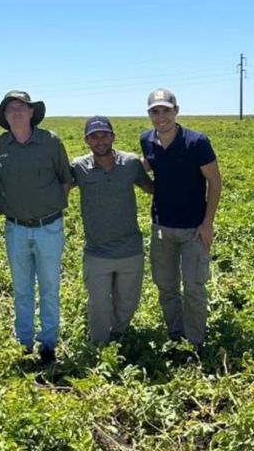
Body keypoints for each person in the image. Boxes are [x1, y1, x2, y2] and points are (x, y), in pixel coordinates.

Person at [0, 91, 72, 364]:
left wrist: (51, 205)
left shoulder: (51, 141)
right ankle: (23, 342)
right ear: (5, 115)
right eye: (11, 108)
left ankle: (48, 344)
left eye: (22, 107)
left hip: (49, 227)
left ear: (32, 112)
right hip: (15, 228)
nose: (17, 112)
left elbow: (65, 179)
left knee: (49, 286)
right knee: (21, 288)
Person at [139, 88, 221, 358]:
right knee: (166, 286)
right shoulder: (147, 140)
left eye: (166, 110)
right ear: (149, 114)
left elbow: (215, 181)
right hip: (162, 228)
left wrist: (207, 223)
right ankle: (176, 338)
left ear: (176, 111)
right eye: (155, 111)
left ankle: (195, 344)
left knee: (194, 287)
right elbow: (148, 167)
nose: (161, 116)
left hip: (193, 229)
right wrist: (153, 188)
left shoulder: (197, 142)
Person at [69, 116, 153, 346]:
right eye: (93, 136)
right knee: (98, 304)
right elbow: (60, 189)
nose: (100, 140)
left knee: (127, 301)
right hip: (97, 252)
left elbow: (151, 188)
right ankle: (99, 346)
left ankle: (119, 338)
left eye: (104, 134)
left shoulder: (131, 163)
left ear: (113, 136)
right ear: (86, 140)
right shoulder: (79, 167)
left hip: (130, 248)